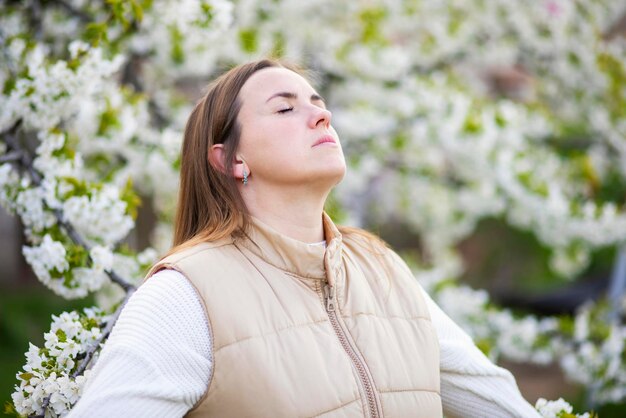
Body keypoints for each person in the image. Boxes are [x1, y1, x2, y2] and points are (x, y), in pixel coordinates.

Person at [69, 59, 541, 417]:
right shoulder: (187, 294)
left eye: (318, 103)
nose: (322, 116)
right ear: (231, 160)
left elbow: (500, 403)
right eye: (285, 108)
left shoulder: (384, 270)